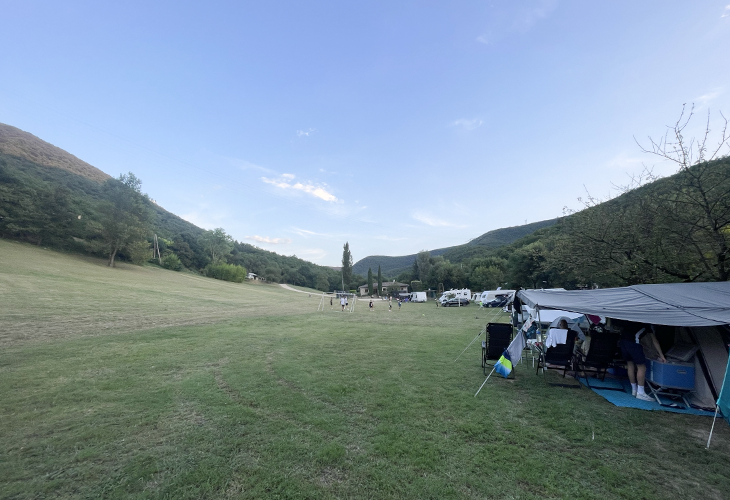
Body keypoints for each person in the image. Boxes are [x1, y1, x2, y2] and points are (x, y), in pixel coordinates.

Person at [618, 322, 666, 401]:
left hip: (623, 342)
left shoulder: (635, 318)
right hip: (633, 343)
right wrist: (661, 355)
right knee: (642, 367)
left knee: (630, 364)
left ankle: (634, 390)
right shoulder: (647, 324)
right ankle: (640, 393)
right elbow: (655, 341)